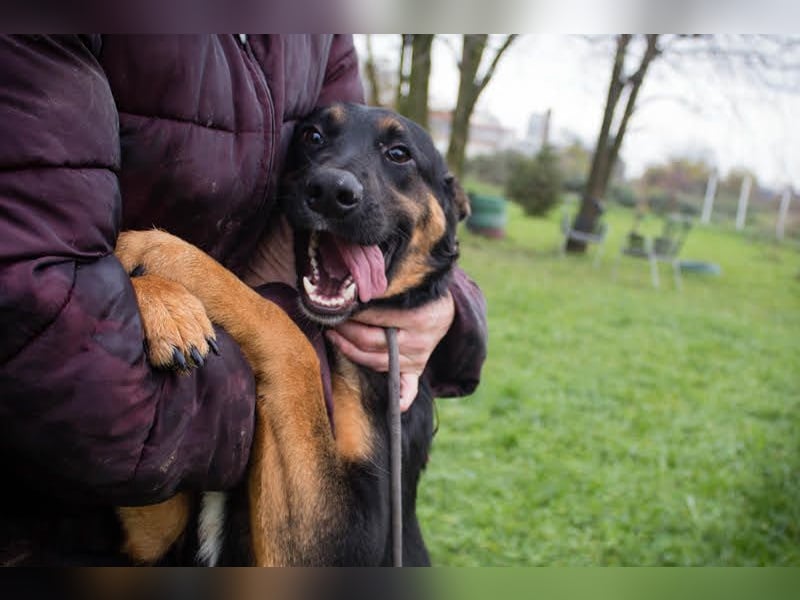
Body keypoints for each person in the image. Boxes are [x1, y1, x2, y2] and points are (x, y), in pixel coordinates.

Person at [0, 34, 487, 565]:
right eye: (316, 141)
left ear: (450, 204)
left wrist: (451, 306)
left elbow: (315, 565)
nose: (337, 176)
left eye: (397, 155)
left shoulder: (318, 27)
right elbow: (38, 289)